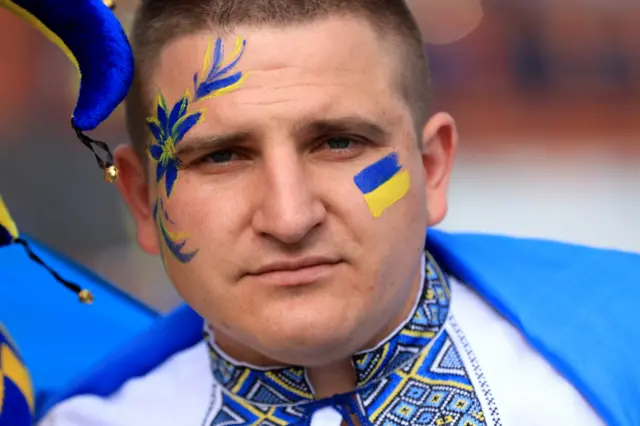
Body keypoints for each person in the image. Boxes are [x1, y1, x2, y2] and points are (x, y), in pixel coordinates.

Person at [31, 0, 640, 425]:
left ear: (431, 169)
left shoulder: (623, 358)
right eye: (221, 156)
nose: (290, 217)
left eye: (339, 143)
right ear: (142, 200)